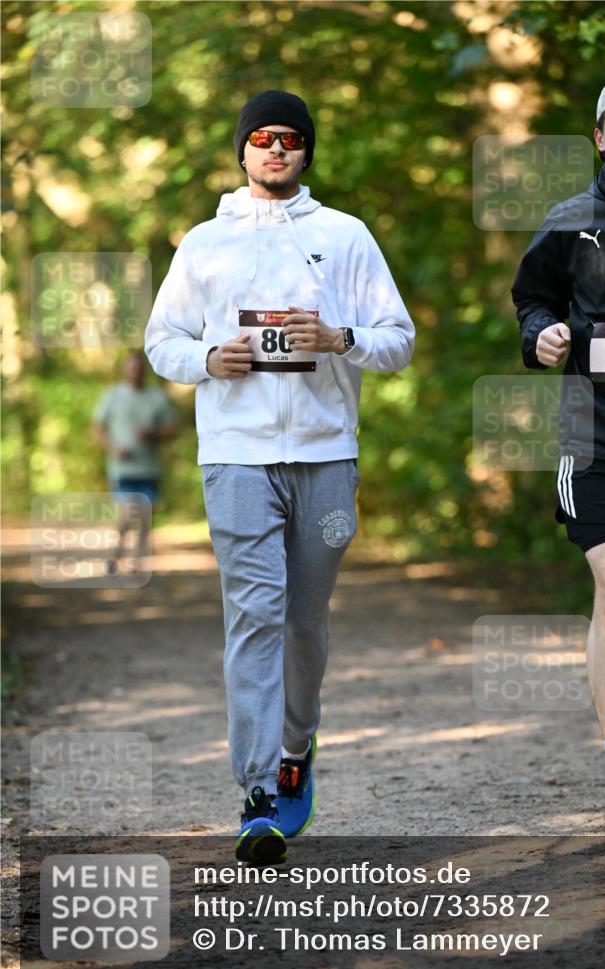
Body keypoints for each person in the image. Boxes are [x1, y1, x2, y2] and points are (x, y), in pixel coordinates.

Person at [144, 90, 415, 863]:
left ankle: (297, 745)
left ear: (305, 152)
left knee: (304, 619)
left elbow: (397, 340)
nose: (275, 148)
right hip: (235, 456)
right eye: (261, 137)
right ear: (241, 149)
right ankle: (258, 791)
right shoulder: (202, 245)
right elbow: (162, 340)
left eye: (290, 138)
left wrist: (339, 337)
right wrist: (204, 359)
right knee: (255, 614)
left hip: (327, 456)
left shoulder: (345, 236)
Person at [512, 73, 605, 834]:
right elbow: (531, 300)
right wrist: (537, 335)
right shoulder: (568, 221)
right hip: (595, 430)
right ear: (599, 140)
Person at [93, 350, 176, 574]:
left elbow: (171, 431)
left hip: (149, 469)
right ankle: (117, 553)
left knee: (145, 518)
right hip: (122, 469)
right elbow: (98, 428)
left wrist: (152, 435)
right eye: (130, 367)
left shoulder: (157, 397)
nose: (134, 372)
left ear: (144, 370)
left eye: (138, 368)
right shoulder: (112, 395)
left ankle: (136, 563)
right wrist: (112, 448)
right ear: (124, 369)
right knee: (127, 515)